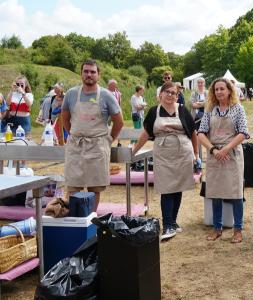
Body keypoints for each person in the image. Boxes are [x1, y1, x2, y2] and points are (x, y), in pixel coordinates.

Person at [132, 81, 197, 240]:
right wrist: (133, 152)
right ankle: (167, 225)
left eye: (173, 93)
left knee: (178, 187)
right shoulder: (154, 111)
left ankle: (173, 222)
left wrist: (196, 153)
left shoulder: (182, 110)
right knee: (166, 188)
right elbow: (145, 134)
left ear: (177, 96)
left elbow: (193, 132)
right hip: (163, 154)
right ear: (160, 94)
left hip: (183, 152)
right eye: (167, 92)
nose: (170, 95)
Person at [61, 59, 123, 211]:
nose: (89, 74)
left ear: (98, 75)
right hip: (76, 145)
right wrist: (73, 134)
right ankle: (75, 219)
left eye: (93, 72)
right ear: (81, 73)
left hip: (97, 146)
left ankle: (91, 219)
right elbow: (64, 118)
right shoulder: (71, 94)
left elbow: (119, 122)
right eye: (86, 71)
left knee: (94, 187)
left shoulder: (107, 96)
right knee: (73, 186)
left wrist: (108, 139)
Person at [198, 77, 249, 243]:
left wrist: (226, 148)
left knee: (235, 193)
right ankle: (217, 228)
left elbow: (243, 132)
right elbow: (201, 133)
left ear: (229, 90)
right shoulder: (210, 109)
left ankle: (238, 229)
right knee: (215, 192)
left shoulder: (238, 109)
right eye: (216, 89)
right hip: (214, 154)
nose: (219, 92)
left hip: (232, 154)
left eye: (222, 89)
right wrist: (213, 150)